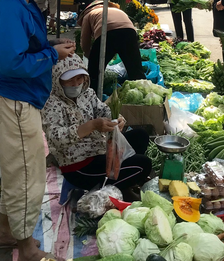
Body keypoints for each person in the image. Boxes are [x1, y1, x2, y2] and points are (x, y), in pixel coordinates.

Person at [0, 0, 76, 261]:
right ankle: (25, 248)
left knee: (15, 172)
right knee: (27, 175)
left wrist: (53, 44)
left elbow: (25, 45)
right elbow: (13, 62)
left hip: (17, 102)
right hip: (14, 104)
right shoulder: (12, 6)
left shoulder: (22, 3)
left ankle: (3, 231)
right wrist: (52, 53)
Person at [42, 55, 151, 197]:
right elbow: (56, 138)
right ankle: (105, 191)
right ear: (58, 79)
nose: (76, 84)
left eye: (79, 78)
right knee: (143, 165)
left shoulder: (87, 94)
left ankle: (121, 182)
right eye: (69, 80)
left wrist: (117, 118)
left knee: (140, 135)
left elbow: (103, 110)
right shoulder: (51, 103)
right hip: (79, 166)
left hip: (100, 149)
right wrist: (91, 126)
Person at [78, 1, 145, 94]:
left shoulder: (88, 14)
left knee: (94, 73)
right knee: (135, 69)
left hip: (107, 34)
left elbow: (85, 40)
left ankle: (93, 96)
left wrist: (88, 55)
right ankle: (143, 94)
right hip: (129, 33)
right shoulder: (116, 10)